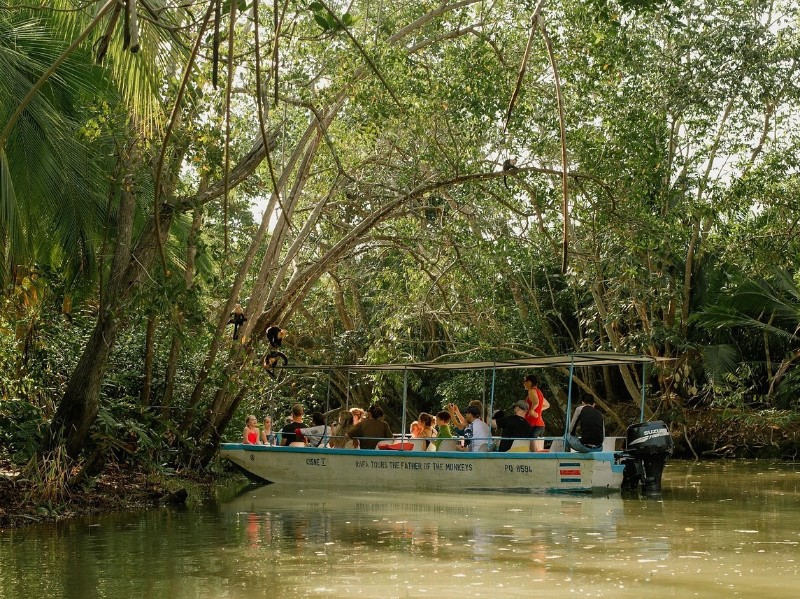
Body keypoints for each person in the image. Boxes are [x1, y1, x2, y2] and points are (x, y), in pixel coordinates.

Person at [523, 375, 549, 450]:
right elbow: (547, 405)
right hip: (539, 424)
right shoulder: (539, 392)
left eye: (525, 381)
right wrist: (537, 410)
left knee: (532, 444)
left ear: (529, 382)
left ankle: (534, 459)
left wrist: (532, 410)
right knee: (534, 446)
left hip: (534, 423)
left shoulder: (531, 390)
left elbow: (536, 402)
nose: (523, 383)